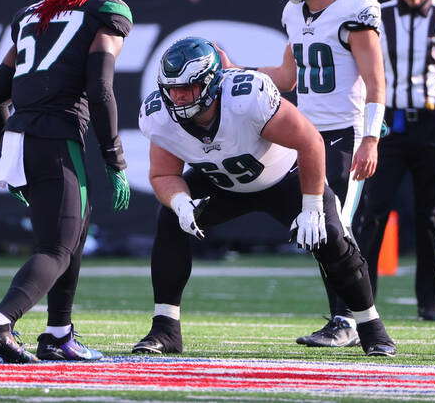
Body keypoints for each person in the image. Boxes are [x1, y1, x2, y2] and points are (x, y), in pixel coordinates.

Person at [133, 37, 396, 357]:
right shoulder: (161, 115)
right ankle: (165, 329)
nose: (178, 97)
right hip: (222, 184)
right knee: (171, 219)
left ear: (212, 83)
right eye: (172, 89)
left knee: (330, 236)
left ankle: (371, 328)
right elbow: (163, 174)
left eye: (188, 88)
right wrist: (180, 202)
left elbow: (310, 140)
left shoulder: (247, 97)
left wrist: (312, 205)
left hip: (283, 177)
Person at [218, 0, 385, 347]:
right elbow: (286, 77)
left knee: (337, 225)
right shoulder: (294, 12)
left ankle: (350, 320)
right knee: (321, 227)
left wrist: (370, 138)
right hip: (308, 137)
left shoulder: (355, 10)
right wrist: (234, 70)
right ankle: (345, 320)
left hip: (347, 132)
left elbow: (376, 82)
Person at [0, 0, 133, 363]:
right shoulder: (107, 11)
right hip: (57, 136)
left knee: (74, 230)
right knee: (57, 248)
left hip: (22, 137)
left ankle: (59, 334)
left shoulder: (31, 14)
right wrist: (114, 158)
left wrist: (8, 153)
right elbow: (100, 88)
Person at [353, 0, 435, 322]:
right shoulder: (378, 17)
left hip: (432, 125)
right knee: (371, 213)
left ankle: (429, 304)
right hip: (387, 126)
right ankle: (362, 302)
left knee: (430, 216)